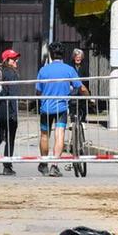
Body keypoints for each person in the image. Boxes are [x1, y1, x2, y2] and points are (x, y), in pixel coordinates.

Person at [36, 42, 87, 177]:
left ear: (51, 55)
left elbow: (38, 91)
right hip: (61, 108)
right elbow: (81, 87)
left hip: (46, 107)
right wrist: (89, 96)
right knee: (60, 135)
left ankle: (44, 163)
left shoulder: (43, 70)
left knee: (44, 135)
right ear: (63, 55)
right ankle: (55, 165)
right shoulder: (69, 70)